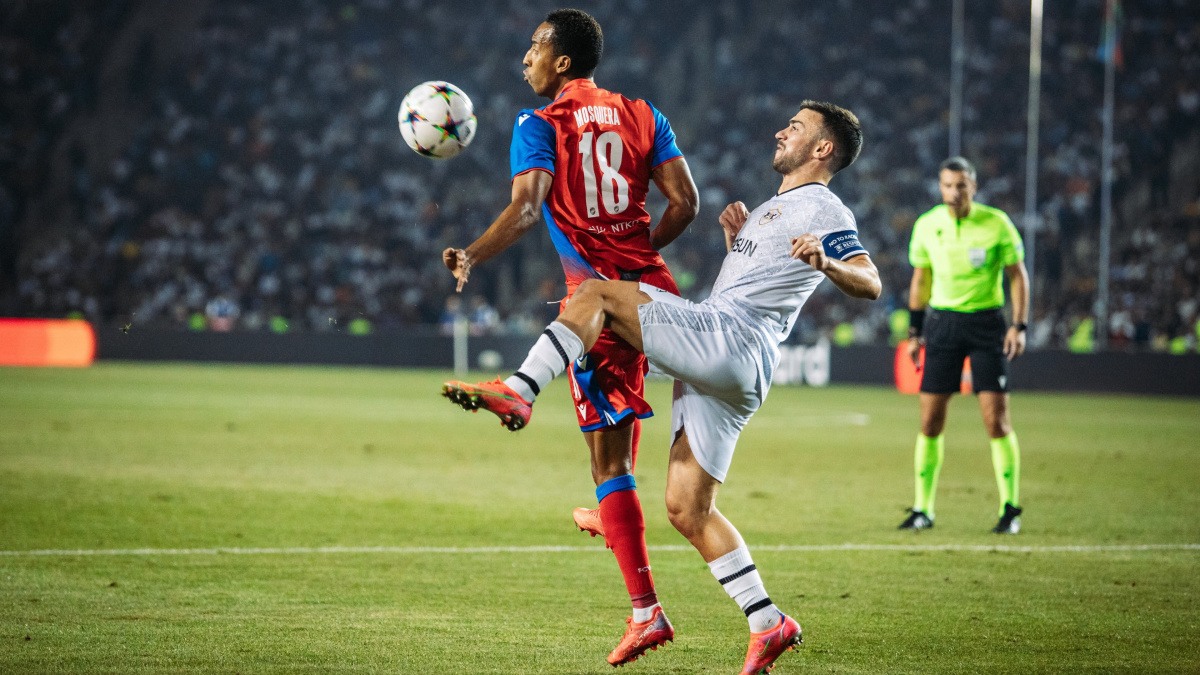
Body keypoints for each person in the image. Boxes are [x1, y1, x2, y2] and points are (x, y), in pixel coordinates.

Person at [444, 101, 880, 674]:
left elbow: (869, 281)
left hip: (729, 340)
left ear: (823, 149)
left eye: (796, 127)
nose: (782, 130)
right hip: (740, 368)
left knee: (597, 294)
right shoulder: (779, 207)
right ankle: (767, 621)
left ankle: (521, 388)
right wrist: (735, 243)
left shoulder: (823, 206)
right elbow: (767, 285)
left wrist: (828, 261)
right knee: (687, 509)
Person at [439, 9, 699, 666]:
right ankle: (611, 517)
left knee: (608, 465)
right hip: (654, 293)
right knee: (615, 455)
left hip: (597, 312)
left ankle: (647, 612)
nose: (524, 59)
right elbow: (686, 203)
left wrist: (472, 254)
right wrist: (635, 253)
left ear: (560, 62)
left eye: (534, 48)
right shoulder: (645, 113)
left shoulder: (539, 123)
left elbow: (528, 206)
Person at [900, 156, 1030, 534]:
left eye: (960, 186)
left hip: (988, 325)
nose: (953, 192)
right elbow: (920, 281)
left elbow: (1018, 277)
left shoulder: (997, 224)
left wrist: (1019, 325)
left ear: (974, 187)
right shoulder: (927, 226)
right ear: (939, 187)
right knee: (929, 421)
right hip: (943, 325)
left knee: (996, 421)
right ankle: (923, 509)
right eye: (946, 186)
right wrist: (914, 333)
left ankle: (1010, 509)